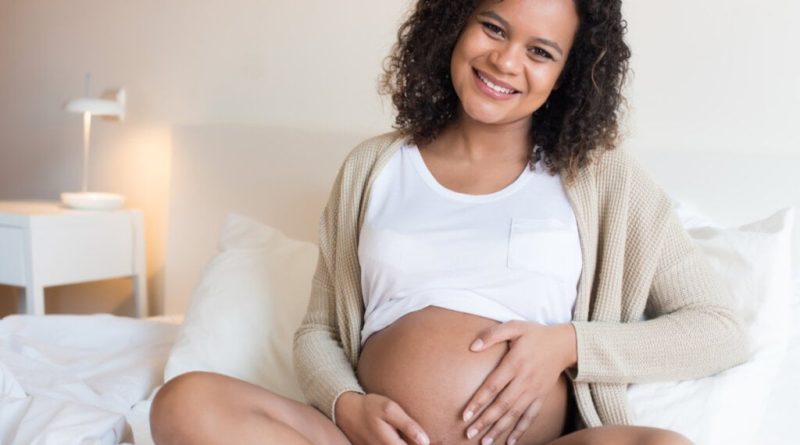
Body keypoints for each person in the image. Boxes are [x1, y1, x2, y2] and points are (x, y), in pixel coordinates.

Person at [150, 0, 749, 444]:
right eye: (493, 27)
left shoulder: (603, 178)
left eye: (540, 52)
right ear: (455, 24)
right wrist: (345, 405)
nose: (505, 60)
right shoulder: (373, 167)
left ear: (568, 74)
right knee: (185, 401)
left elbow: (719, 328)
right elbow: (318, 331)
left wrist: (568, 345)